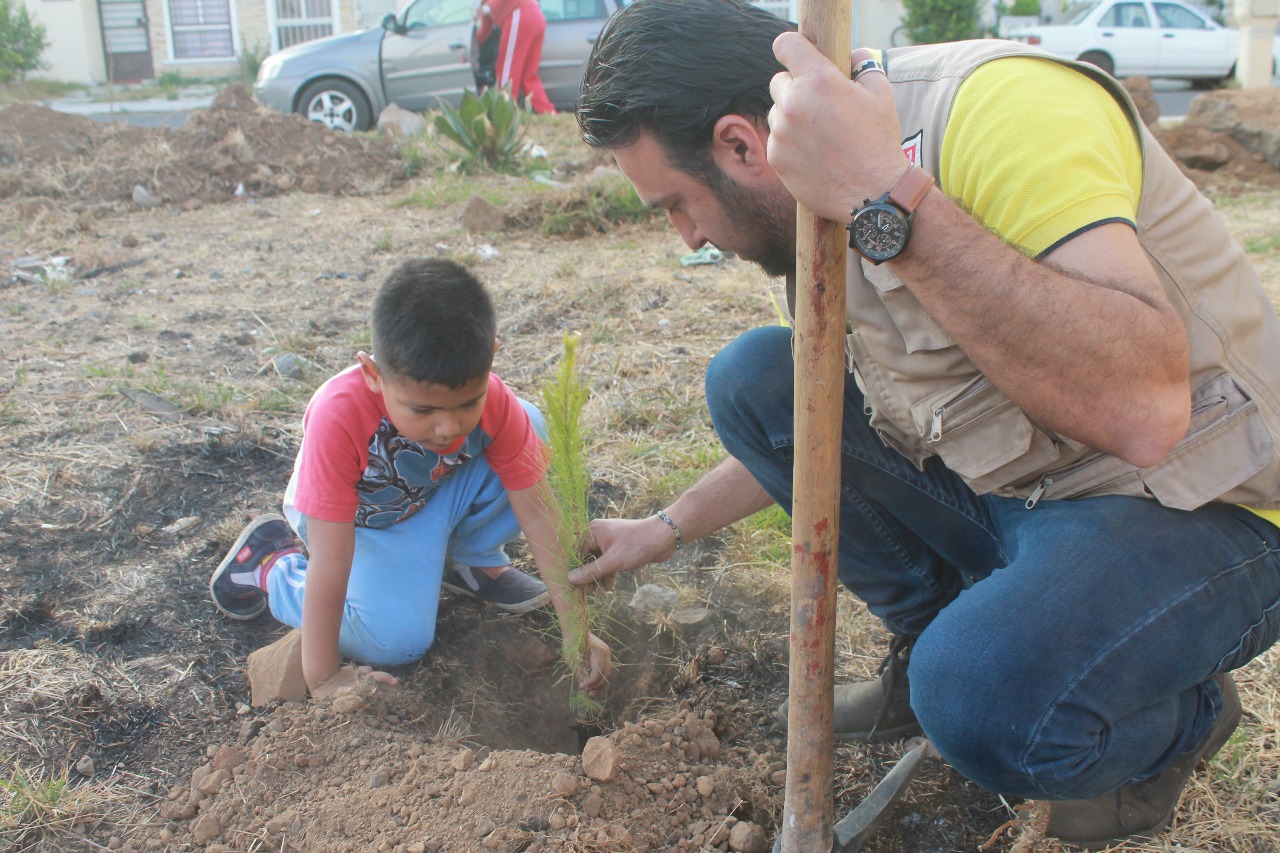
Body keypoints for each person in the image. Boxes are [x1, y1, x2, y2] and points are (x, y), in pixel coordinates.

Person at [569, 0, 1280, 847]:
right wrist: (666, 525)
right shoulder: (807, 201)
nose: (687, 238)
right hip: (1025, 488)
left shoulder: (996, 111)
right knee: (756, 379)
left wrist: (886, 198)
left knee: (983, 696)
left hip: (1199, 503)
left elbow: (1145, 411)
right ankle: (935, 640)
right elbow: (831, 419)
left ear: (739, 146)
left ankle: (1179, 715)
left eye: (676, 205)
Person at [211, 258, 610, 700]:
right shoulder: (338, 416)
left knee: (529, 423)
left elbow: (537, 515)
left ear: (491, 356)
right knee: (395, 641)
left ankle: (467, 562)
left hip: (425, 496)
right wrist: (322, 676)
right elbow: (333, 557)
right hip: (357, 525)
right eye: (423, 409)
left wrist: (577, 631)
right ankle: (271, 565)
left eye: (468, 403)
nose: (449, 427)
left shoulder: (494, 401)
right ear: (373, 374)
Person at [475, 0, 555, 114]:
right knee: (528, 75)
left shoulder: (486, 5)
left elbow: (490, 7)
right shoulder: (484, 4)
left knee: (506, 70)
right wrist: (470, 48)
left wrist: (486, 8)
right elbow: (485, 29)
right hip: (536, 16)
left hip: (520, 14)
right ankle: (547, 110)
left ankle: (504, 112)